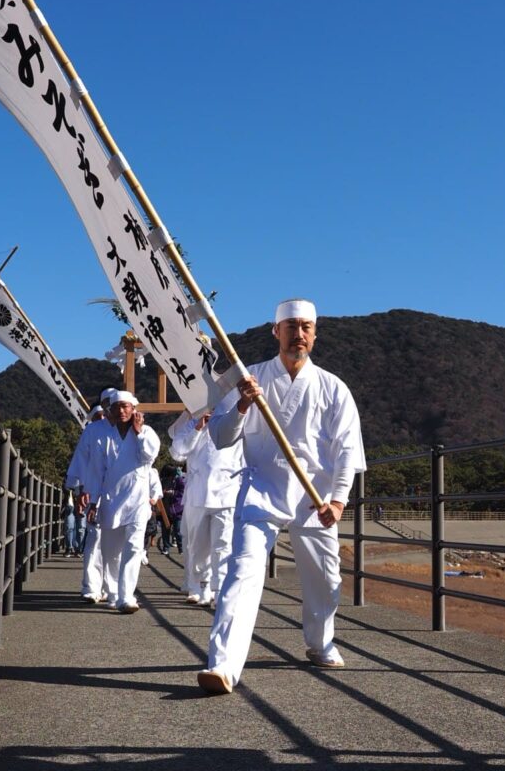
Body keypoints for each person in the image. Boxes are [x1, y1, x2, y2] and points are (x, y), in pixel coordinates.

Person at [197, 298, 365, 695]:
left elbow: (347, 452)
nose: (299, 334)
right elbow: (220, 437)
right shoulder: (250, 378)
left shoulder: (333, 388)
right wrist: (241, 405)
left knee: (325, 579)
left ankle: (320, 643)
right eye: (291, 326)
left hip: (314, 498)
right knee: (242, 574)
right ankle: (222, 665)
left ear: (315, 334)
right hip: (261, 492)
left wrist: (338, 500)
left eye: (306, 327)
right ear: (276, 331)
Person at [83, 391, 160, 613]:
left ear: (134, 409)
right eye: (117, 407)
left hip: (137, 500)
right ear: (111, 411)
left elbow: (148, 457)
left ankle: (127, 596)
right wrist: (93, 502)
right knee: (111, 552)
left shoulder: (147, 432)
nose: (122, 411)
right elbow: (97, 472)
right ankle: (114, 592)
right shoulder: (103, 437)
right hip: (110, 499)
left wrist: (138, 433)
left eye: (126, 406)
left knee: (134, 548)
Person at [169, 410, 243, 607]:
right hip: (197, 495)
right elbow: (177, 452)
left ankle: (219, 590)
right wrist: (198, 428)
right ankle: (198, 586)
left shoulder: (235, 422)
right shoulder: (193, 423)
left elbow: (245, 459)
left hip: (227, 494)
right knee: (197, 546)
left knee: (223, 546)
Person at [66, 392, 116, 602]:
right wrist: (78, 490)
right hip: (94, 492)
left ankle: (111, 588)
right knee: (94, 538)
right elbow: (80, 461)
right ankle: (91, 587)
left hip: (119, 494)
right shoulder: (92, 431)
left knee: (114, 542)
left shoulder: (128, 429)